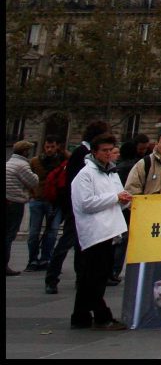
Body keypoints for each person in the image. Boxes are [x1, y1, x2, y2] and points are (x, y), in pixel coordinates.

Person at [69, 133, 130, 330]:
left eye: (110, 151)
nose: (108, 154)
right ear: (94, 152)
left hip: (110, 230)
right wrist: (115, 198)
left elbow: (116, 201)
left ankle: (80, 316)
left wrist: (123, 200)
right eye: (104, 151)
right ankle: (102, 315)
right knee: (94, 277)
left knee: (94, 277)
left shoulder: (111, 173)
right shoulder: (85, 175)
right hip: (95, 231)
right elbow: (86, 203)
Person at [45, 119, 109, 296]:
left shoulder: (85, 153)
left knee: (83, 244)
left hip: (84, 205)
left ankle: (80, 278)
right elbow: (75, 182)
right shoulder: (82, 153)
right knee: (67, 242)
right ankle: (52, 278)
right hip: (78, 206)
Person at [26, 136, 66, 270]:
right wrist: (31, 194)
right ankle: (32, 259)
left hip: (53, 201)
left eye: (52, 147)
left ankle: (45, 259)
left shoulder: (62, 161)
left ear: (57, 147)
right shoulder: (35, 161)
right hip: (37, 199)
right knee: (33, 233)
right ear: (44, 146)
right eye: (47, 147)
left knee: (52, 232)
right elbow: (28, 179)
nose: (49, 150)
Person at [6, 141, 38, 276]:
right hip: (15, 202)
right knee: (9, 235)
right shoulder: (22, 165)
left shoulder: (9, 163)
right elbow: (33, 181)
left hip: (7, 200)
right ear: (25, 152)